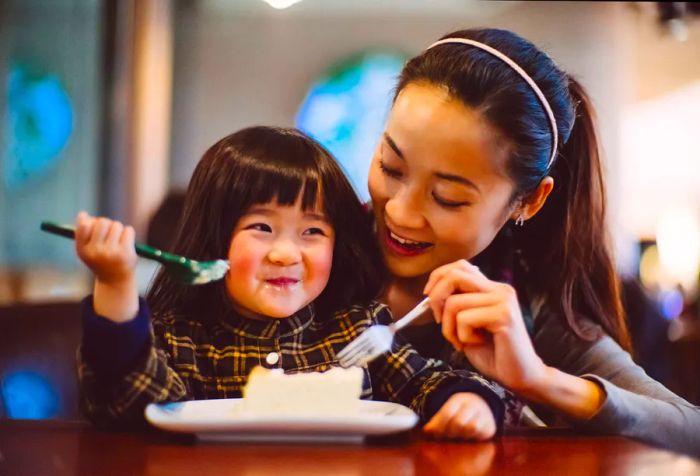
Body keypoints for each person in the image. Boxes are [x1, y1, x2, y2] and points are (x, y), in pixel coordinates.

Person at [366, 28, 700, 455]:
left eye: (448, 198)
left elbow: (689, 429)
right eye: (390, 166)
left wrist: (537, 378)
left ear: (528, 201)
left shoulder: (527, 312)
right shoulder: (307, 255)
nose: (399, 212)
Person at [75, 126, 506, 440]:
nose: (285, 254)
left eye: (312, 232)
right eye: (261, 227)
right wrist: (115, 282)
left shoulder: (355, 331)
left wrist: (468, 403)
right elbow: (130, 402)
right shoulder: (181, 337)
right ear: (215, 237)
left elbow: (425, 382)